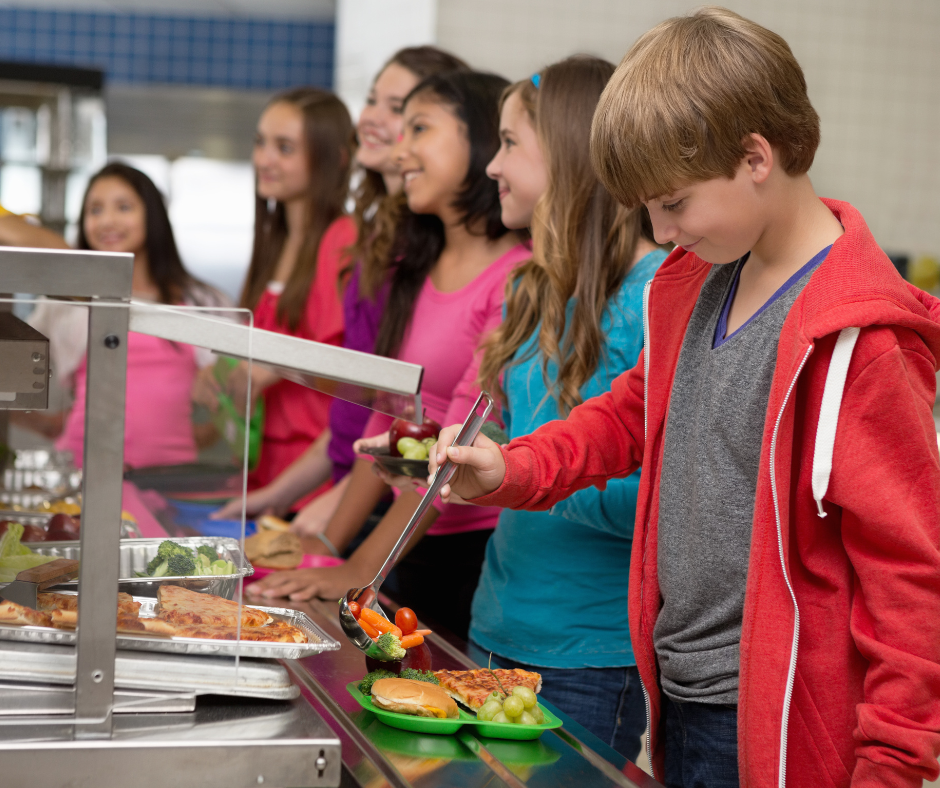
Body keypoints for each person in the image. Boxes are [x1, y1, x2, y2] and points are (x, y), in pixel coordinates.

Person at [429, 9, 940, 788]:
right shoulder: (699, 281)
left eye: (673, 203)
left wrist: (895, 765)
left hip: (786, 721)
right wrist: (513, 468)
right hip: (687, 699)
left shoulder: (861, 341)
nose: (662, 234)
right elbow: (631, 414)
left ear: (756, 157)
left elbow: (911, 579)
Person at [248, 71, 530, 640]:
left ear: (478, 142)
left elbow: (460, 438)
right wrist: (330, 546)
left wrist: (360, 569)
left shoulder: (515, 276)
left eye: (419, 129)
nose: (399, 153)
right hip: (402, 537)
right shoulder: (414, 270)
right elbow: (389, 413)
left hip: (464, 550)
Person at [468, 57, 666, 761]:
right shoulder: (532, 288)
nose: (492, 166)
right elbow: (517, 429)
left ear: (574, 158)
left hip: (585, 655)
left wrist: (520, 476)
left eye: (511, 144)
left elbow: (663, 502)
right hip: (494, 625)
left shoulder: (653, 296)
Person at [212, 47, 468, 530]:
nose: (370, 117)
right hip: (348, 483)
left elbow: (390, 405)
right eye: (373, 100)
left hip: (397, 501)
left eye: (408, 115)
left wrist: (335, 506)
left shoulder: (363, 242)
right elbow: (371, 409)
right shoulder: (374, 240)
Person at [18, 162, 229, 468]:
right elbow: (14, 367)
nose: (107, 221)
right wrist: (43, 424)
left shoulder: (202, 300)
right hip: (81, 474)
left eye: (123, 207)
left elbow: (237, 391)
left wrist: (208, 432)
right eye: (95, 210)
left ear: (152, 217)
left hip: (171, 480)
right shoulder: (63, 303)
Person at [209, 88, 357, 503]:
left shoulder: (343, 241)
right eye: (260, 143)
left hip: (314, 478)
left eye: (284, 148)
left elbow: (356, 371)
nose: (264, 159)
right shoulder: (274, 243)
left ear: (333, 159)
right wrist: (223, 376)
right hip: (263, 470)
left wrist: (271, 369)